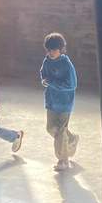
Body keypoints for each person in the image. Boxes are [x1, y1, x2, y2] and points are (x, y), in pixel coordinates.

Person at [40, 32, 79, 171]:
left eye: (53, 49)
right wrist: (44, 80)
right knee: (51, 128)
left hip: (64, 103)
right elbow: (43, 73)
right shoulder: (47, 61)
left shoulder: (66, 65)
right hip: (51, 101)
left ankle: (63, 160)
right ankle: (72, 140)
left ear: (61, 49)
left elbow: (72, 84)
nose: (50, 52)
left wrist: (52, 82)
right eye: (48, 49)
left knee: (60, 132)